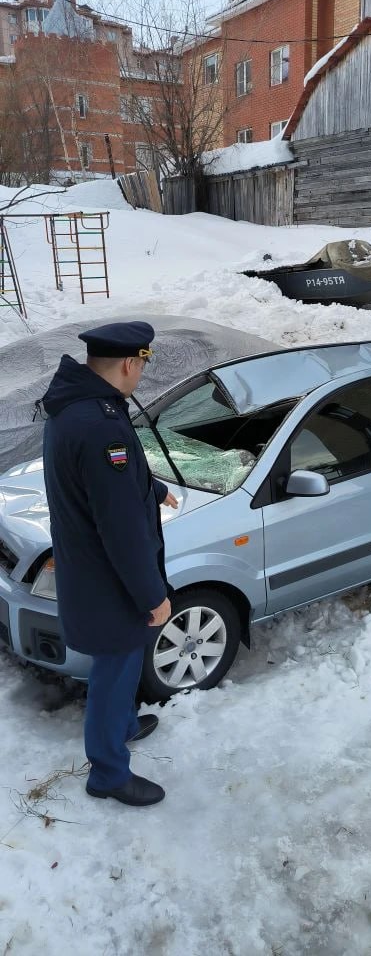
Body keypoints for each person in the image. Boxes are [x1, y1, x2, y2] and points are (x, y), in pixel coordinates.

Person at [42, 321, 178, 807]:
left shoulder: (78, 407)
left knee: (123, 661)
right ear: (129, 363)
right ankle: (107, 773)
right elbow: (120, 528)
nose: (141, 373)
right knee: (114, 670)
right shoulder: (102, 426)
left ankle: (122, 725)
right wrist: (152, 594)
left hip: (92, 568)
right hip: (109, 578)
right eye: (142, 364)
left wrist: (152, 489)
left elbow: (97, 483)